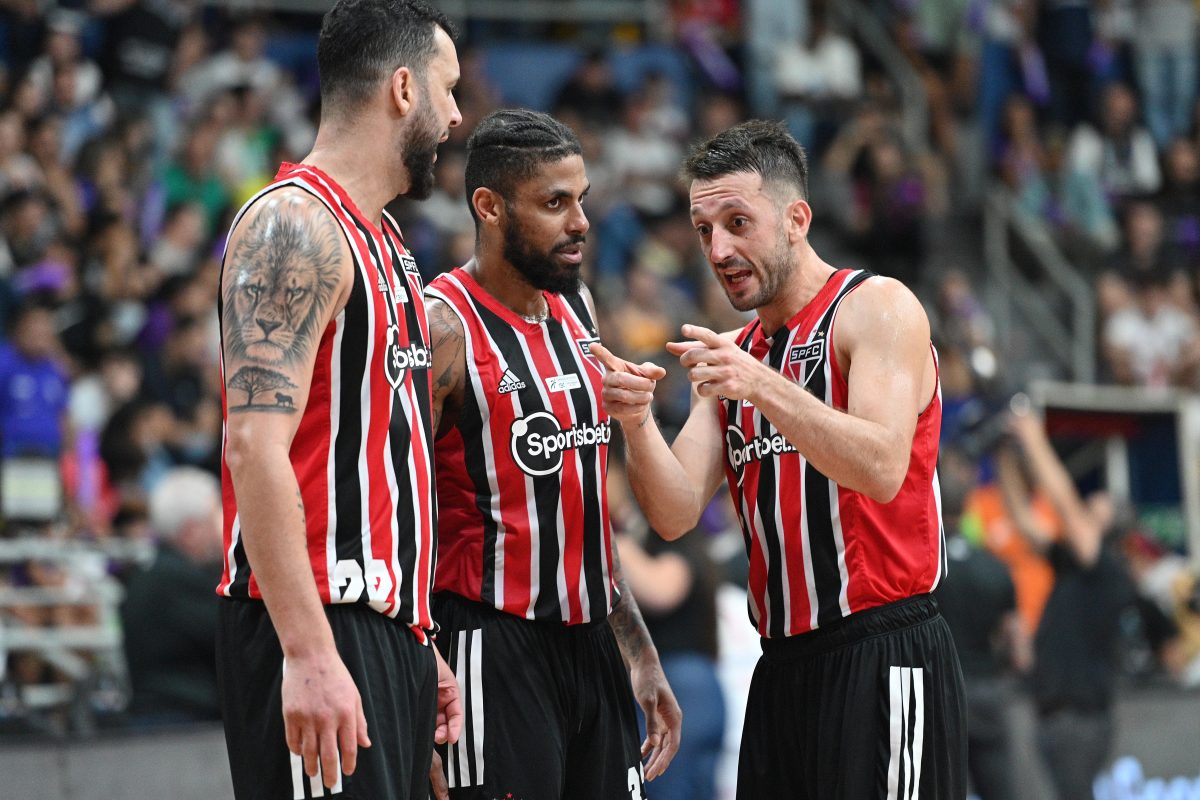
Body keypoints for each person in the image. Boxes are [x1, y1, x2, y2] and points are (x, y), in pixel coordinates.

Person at [592, 119, 966, 799]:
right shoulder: (738, 356)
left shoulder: (876, 308)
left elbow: (883, 467)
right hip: (782, 668)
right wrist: (636, 421)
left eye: (738, 223)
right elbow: (674, 513)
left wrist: (760, 384)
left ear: (797, 220)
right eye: (704, 230)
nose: (719, 249)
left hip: (883, 648)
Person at [216, 2, 463, 798]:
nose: (457, 115)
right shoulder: (294, 226)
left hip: (380, 631)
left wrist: (413, 637)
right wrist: (309, 651)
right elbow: (254, 448)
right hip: (315, 623)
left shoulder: (387, 243)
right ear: (403, 89)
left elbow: (380, 460)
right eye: (448, 89)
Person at [423, 108, 682, 800]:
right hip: (489, 644)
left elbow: (583, 508)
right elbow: (396, 514)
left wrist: (639, 654)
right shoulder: (441, 327)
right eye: (554, 203)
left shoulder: (578, 307)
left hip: (592, 643)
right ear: (489, 207)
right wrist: (417, 670)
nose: (581, 222)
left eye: (582, 200)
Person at [1007, 408, 1136, 800]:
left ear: (1110, 531)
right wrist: (1004, 457)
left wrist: (1034, 439)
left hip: (1079, 721)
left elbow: (1064, 502)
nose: (1082, 514)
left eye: (1093, 513)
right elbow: (1024, 521)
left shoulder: (1108, 570)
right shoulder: (1073, 564)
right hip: (1054, 716)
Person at [933, 447, 1030, 800]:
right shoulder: (995, 568)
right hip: (987, 692)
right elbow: (1020, 651)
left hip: (939, 692)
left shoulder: (925, 570)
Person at [121, 466, 224, 724]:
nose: (223, 526)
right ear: (191, 531)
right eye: (216, 515)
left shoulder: (150, 573)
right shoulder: (180, 580)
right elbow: (227, 638)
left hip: (162, 719)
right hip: (184, 724)